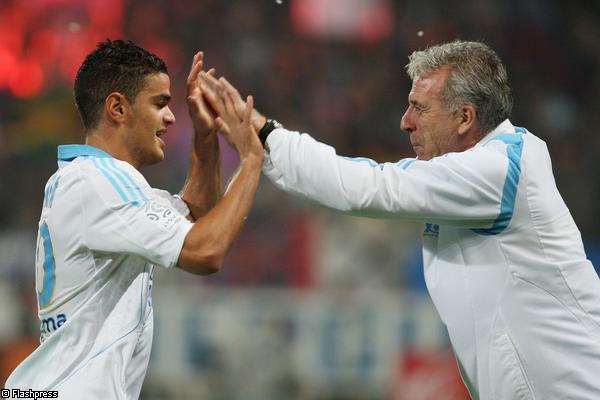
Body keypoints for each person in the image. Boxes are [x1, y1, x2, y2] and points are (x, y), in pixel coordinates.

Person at [200, 40, 600, 399]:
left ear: (465, 118)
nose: (405, 121)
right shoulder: (470, 174)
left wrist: (265, 133)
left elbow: (366, 186)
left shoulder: (497, 170)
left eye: (420, 108)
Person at [5, 40, 264, 399]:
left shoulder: (93, 183)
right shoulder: (100, 184)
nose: (170, 118)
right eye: (159, 103)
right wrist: (252, 159)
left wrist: (205, 137)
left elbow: (196, 219)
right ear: (117, 108)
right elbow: (206, 251)